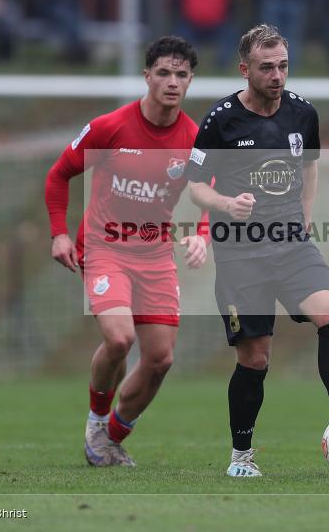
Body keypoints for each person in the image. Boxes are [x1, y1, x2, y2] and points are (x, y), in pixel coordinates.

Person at [185, 23, 329, 477]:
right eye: (267, 67)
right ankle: (240, 456)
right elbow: (194, 189)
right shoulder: (221, 119)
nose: (277, 75)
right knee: (256, 357)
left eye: (283, 65)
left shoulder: (303, 113)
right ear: (245, 69)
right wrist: (226, 203)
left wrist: (305, 215)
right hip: (241, 253)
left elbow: (310, 168)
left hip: (291, 245)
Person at [44, 36, 210, 466]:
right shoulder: (110, 127)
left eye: (181, 75)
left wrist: (202, 234)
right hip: (105, 247)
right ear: (147, 76)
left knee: (160, 359)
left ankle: (111, 437)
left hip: (155, 255)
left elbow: (213, 192)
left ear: (191, 80)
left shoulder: (195, 138)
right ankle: (97, 422)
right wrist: (59, 233)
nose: (172, 82)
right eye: (163, 73)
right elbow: (59, 175)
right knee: (120, 338)